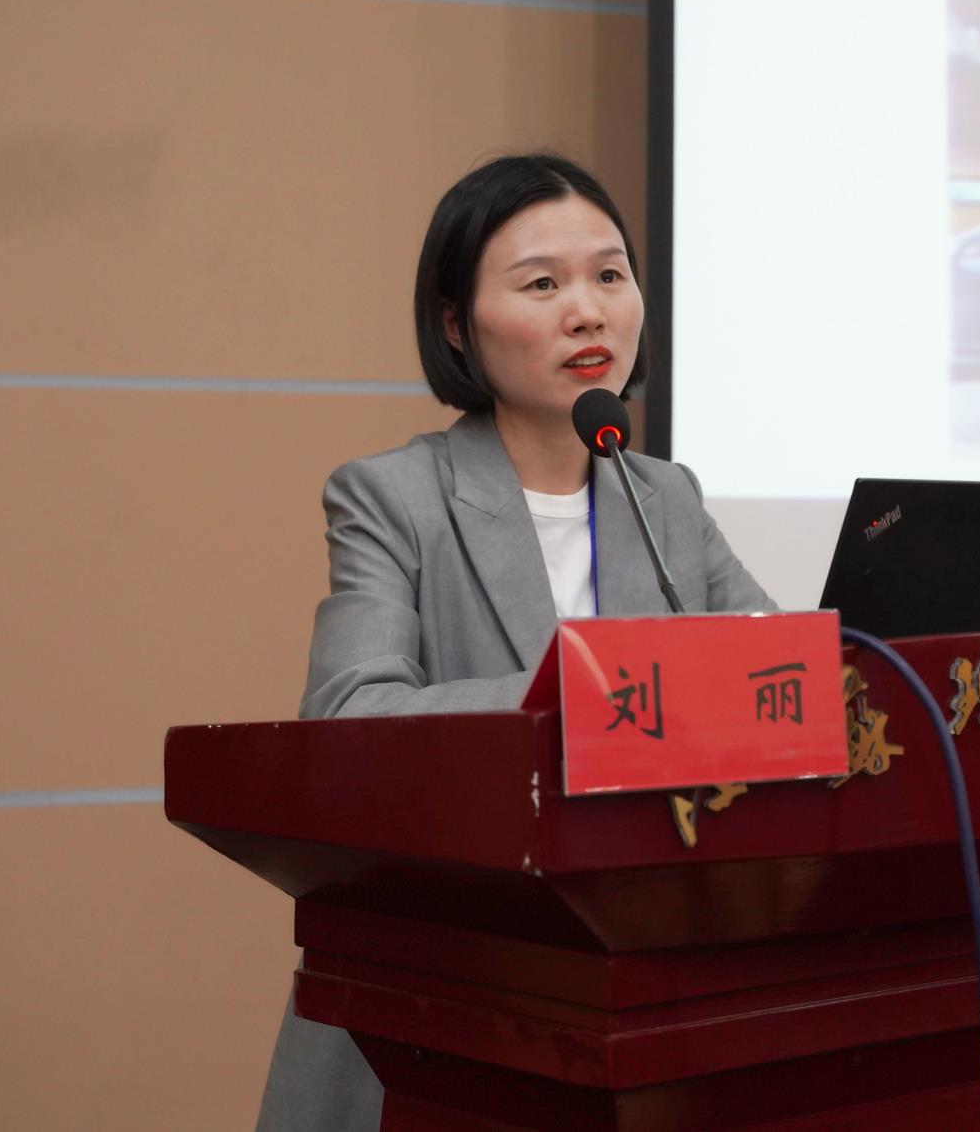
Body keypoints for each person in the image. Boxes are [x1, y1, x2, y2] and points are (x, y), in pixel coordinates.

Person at [254, 153, 776, 1131]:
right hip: (447, 995)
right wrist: (590, 693)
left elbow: (769, 672)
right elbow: (349, 714)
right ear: (457, 324)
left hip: (640, 988)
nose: (588, 311)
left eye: (610, 275)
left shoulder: (665, 497)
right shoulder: (392, 497)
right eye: (542, 285)